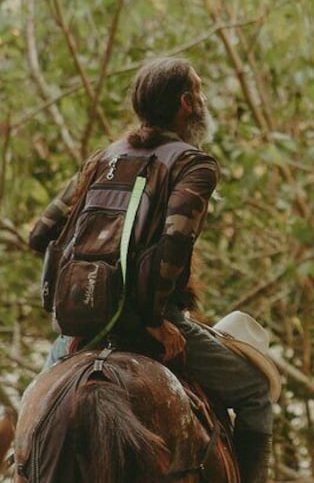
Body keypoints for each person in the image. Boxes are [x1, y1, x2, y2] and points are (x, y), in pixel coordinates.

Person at [28, 58, 274, 483]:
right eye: (198, 91)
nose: (201, 98)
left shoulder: (102, 159)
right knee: (256, 393)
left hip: (81, 329)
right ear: (186, 103)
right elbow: (174, 244)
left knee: (37, 413)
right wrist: (156, 321)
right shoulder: (194, 165)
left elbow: (40, 235)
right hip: (147, 320)